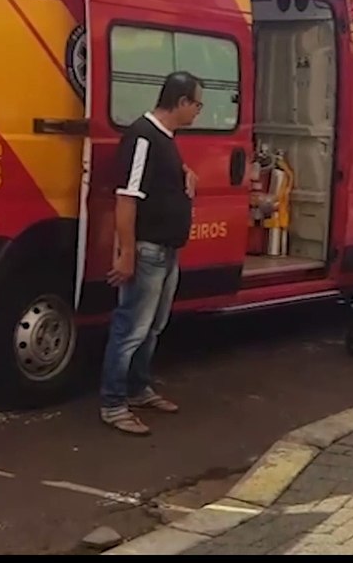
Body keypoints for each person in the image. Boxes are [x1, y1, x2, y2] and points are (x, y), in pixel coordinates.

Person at [98, 71, 202, 436]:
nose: (199, 112)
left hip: (167, 249)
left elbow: (156, 178)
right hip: (148, 250)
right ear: (182, 102)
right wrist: (127, 253)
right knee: (131, 327)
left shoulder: (165, 139)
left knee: (153, 327)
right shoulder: (143, 137)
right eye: (197, 104)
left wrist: (185, 172)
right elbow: (127, 197)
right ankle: (113, 403)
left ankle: (138, 388)